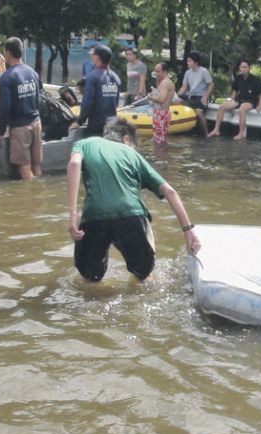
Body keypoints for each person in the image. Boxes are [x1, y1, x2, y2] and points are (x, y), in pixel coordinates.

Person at [67, 118, 201, 283]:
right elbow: (170, 191)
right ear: (125, 139)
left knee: (90, 278)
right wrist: (188, 231)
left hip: (94, 216)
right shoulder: (132, 153)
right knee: (144, 275)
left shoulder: (86, 143)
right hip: (131, 216)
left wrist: (73, 215)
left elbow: (74, 163)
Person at [0, 37, 43, 181]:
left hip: (21, 128)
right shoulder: (32, 73)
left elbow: (4, 108)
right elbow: (39, 98)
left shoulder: (7, 77)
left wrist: (0, 132)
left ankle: (29, 202)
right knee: (36, 166)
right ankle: (39, 199)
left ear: (7, 53)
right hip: (36, 123)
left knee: (24, 168)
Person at [69, 44, 121, 138]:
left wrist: (79, 122)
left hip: (96, 127)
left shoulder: (92, 77)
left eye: (93, 55)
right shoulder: (116, 78)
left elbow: (87, 102)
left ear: (97, 58)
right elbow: (116, 103)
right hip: (112, 125)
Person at [206, 59, 261, 140]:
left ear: (249, 68)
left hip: (251, 100)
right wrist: (232, 99)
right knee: (222, 107)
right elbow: (235, 90)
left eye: (245, 67)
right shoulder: (238, 78)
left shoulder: (255, 80)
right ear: (239, 68)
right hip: (240, 99)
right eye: (241, 67)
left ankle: (240, 133)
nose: (243, 69)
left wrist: (260, 105)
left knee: (242, 109)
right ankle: (216, 130)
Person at [174, 52, 214, 135]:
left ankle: (207, 133)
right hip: (191, 96)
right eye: (187, 61)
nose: (187, 63)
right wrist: (176, 97)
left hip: (201, 96)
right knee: (177, 102)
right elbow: (184, 87)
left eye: (189, 61)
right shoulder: (187, 73)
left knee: (199, 113)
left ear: (195, 62)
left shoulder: (204, 71)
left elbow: (211, 84)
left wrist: (206, 96)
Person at [147, 62, 176, 146]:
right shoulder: (163, 82)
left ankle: (161, 158)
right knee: (160, 139)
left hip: (162, 113)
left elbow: (161, 99)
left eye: (158, 71)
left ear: (165, 72)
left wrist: (150, 97)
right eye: (155, 71)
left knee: (159, 141)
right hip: (162, 112)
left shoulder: (166, 83)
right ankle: (162, 157)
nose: (156, 74)